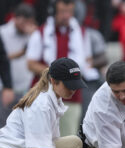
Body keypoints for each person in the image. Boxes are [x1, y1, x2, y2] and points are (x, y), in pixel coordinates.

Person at [26, 0, 92, 136]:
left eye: (70, 12)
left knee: (68, 137)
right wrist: (58, 74)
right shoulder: (41, 32)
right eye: (62, 12)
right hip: (44, 93)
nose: (66, 16)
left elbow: (87, 60)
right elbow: (31, 64)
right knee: (40, 137)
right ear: (53, 12)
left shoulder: (82, 32)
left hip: (72, 96)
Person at [0, 3, 37, 128]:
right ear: (16, 18)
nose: (25, 26)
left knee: (22, 129)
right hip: (5, 89)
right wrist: (22, 51)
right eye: (23, 22)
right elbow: (4, 58)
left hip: (26, 89)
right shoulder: (3, 32)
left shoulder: (33, 34)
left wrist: (34, 37)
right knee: (3, 127)